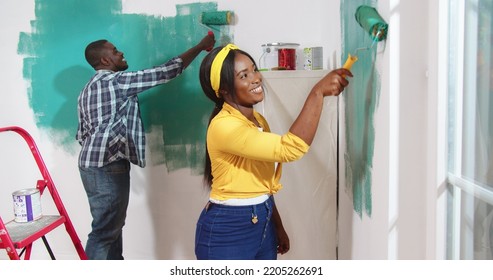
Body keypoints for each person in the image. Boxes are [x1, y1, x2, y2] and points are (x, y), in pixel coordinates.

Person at [194, 44, 352, 260]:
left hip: (263, 221)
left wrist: (275, 225)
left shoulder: (258, 121)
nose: (256, 78)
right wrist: (317, 93)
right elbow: (290, 148)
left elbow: (262, 180)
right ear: (224, 90)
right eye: (244, 75)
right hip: (228, 229)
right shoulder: (224, 126)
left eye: (254, 69)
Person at [76, 34, 215, 260]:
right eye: (114, 50)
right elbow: (166, 71)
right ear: (104, 61)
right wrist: (200, 46)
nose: (120, 53)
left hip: (90, 165)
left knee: (109, 228)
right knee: (104, 232)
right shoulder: (116, 82)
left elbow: (82, 134)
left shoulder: (86, 90)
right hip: (108, 165)